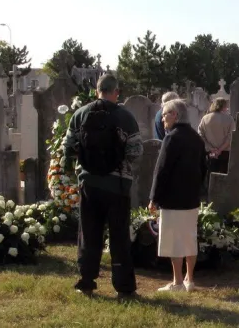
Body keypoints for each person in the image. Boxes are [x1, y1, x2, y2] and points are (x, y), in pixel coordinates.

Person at [63, 74, 143, 298]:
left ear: (96, 90)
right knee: (119, 237)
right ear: (116, 91)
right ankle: (124, 288)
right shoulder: (125, 117)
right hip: (117, 185)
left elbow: (68, 148)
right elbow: (135, 152)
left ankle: (86, 282)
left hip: (89, 183)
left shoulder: (79, 115)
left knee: (89, 234)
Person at [149, 99, 207, 293]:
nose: (163, 119)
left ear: (175, 115)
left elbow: (162, 170)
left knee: (175, 240)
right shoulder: (197, 138)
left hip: (173, 199)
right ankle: (190, 280)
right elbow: (203, 168)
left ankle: (177, 282)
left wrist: (154, 198)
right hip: (191, 198)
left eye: (165, 114)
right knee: (190, 238)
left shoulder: (172, 137)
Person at [198, 98, 233, 175]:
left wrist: (211, 148)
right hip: (225, 153)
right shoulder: (229, 119)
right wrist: (220, 150)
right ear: (224, 106)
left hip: (210, 152)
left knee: (210, 176)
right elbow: (230, 136)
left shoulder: (205, 118)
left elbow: (200, 135)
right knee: (224, 177)